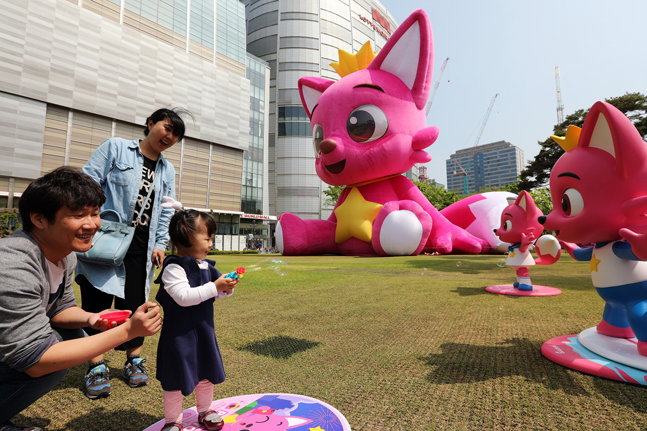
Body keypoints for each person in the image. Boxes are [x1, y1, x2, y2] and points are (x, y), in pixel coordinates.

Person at [0, 167, 163, 431]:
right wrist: (128, 331)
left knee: (73, 335)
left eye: (95, 213)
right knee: (53, 357)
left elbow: (59, 309)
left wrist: (92, 318)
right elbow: (34, 360)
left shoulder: (65, 255)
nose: (92, 224)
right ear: (39, 219)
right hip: (15, 352)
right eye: (79, 215)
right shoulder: (14, 264)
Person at [76, 108, 188, 398]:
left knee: (136, 303)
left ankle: (133, 360)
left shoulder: (167, 169)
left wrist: (161, 243)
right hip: (106, 240)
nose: (170, 136)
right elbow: (87, 185)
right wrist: (90, 225)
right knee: (97, 301)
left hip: (143, 246)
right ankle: (96, 365)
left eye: (176, 134)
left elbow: (164, 212)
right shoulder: (115, 148)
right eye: (167, 128)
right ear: (150, 124)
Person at [155, 210, 237, 431]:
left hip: (203, 333)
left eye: (211, 238)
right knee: (173, 380)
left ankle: (205, 410)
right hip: (178, 337)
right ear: (185, 238)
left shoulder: (205, 266)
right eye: (207, 237)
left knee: (206, 373)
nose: (211, 243)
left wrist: (225, 289)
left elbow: (212, 294)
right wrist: (215, 286)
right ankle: (173, 420)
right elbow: (184, 297)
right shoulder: (173, 268)